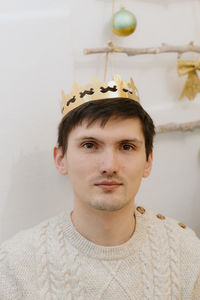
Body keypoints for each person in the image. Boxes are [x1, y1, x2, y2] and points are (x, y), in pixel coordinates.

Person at [0, 75, 200, 299]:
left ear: (148, 161)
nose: (109, 166)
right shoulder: (16, 264)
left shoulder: (186, 252)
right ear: (60, 159)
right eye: (89, 145)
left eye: (126, 146)